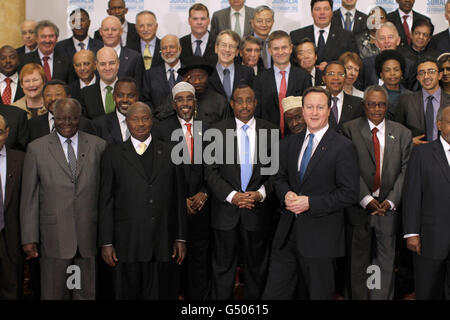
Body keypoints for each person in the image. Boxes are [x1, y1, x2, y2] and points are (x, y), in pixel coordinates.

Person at [262, 86, 359, 300]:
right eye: (309, 107)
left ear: (328, 110)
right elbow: (279, 178)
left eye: (320, 107)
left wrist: (310, 203)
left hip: (321, 240)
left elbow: (349, 193)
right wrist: (286, 193)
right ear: (303, 110)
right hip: (287, 235)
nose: (314, 113)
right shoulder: (289, 143)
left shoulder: (343, 147)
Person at [20, 98, 107, 300]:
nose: (66, 123)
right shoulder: (36, 149)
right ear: (53, 118)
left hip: (88, 237)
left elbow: (105, 196)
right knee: (54, 294)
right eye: (61, 119)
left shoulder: (98, 146)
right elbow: (29, 198)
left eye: (72, 118)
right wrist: (29, 237)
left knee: (85, 293)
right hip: (53, 237)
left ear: (80, 118)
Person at [99, 102, 187, 300]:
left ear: (152, 121)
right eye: (134, 119)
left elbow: (179, 198)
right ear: (127, 122)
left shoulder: (171, 152)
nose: (140, 124)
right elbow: (105, 202)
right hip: (126, 243)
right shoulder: (112, 154)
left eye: (145, 118)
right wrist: (106, 242)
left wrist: (181, 237)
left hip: (162, 241)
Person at [205, 85, 277, 300]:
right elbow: (210, 171)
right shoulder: (216, 131)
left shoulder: (270, 130)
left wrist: (260, 194)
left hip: (257, 211)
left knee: (257, 269)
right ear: (232, 104)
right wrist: (232, 196)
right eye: (239, 101)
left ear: (255, 103)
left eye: (249, 101)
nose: (244, 105)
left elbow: (276, 173)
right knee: (223, 268)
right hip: (225, 213)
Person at [342, 85, 412, 300]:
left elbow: (406, 170)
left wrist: (391, 201)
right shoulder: (349, 129)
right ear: (364, 106)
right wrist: (365, 198)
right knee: (359, 262)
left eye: (381, 104)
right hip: (358, 208)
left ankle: (380, 297)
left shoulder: (402, 133)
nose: (377, 109)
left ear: (387, 105)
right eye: (372, 104)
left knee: (384, 262)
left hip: (388, 210)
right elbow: (346, 168)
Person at [152, 81, 211, 300]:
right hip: (172, 207)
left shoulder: (207, 128)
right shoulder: (161, 129)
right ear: (173, 103)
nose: (185, 103)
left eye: (189, 99)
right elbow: (158, 171)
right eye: (180, 99)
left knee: (199, 260)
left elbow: (215, 167)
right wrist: (180, 200)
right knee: (173, 259)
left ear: (195, 103)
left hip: (202, 205)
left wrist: (205, 191)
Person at [402, 105, 450, 300]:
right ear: (439, 124)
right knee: (428, 290)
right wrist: (412, 233)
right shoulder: (422, 153)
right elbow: (412, 194)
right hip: (431, 238)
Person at [254, 31, 311, 137]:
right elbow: (257, 114)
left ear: (290, 48)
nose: (280, 52)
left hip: (297, 137)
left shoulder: (303, 77)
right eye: (276, 48)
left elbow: (307, 110)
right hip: (267, 139)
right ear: (269, 50)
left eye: (284, 47)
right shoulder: (259, 79)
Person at [395, 57, 450, 144]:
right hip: (415, 153)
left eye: (431, 71)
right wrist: (409, 142)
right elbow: (393, 133)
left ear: (440, 75)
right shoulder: (406, 100)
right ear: (418, 78)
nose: (426, 76)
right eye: (421, 73)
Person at [290, 0, 356, 70]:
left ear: (331, 12)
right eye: (317, 9)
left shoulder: (346, 36)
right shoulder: (296, 36)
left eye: (326, 9)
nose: (322, 13)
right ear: (311, 12)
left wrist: (332, 67)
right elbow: (291, 65)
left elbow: (353, 64)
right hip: (304, 80)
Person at [0, 115, 25, 300]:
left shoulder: (21, 160)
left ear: (7, 133)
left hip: (11, 236)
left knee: (11, 288)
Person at [357, 22, 418, 91]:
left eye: (390, 37)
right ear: (377, 43)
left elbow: (413, 94)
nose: (386, 41)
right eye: (382, 38)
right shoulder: (366, 64)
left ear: (398, 41)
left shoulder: (409, 65)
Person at [28, 80, 95, 142]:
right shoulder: (33, 125)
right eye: (48, 95)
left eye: (58, 94)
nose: (53, 98)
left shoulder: (83, 124)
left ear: (68, 97)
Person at [20, 20, 76, 84]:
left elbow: (71, 87)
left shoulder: (67, 60)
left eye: (51, 36)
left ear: (57, 38)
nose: (47, 40)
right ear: (36, 39)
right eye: (43, 36)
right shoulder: (25, 61)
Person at [98, 16, 144, 88]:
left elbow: (139, 88)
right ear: (100, 32)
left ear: (121, 31)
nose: (110, 33)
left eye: (114, 29)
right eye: (106, 30)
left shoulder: (135, 58)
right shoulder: (93, 56)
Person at [209, 30, 254, 102]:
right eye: (223, 45)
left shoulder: (247, 73)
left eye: (232, 46)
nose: (227, 50)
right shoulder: (207, 73)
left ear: (237, 52)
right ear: (216, 48)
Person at [141, 35, 183, 111]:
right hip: (158, 120)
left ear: (179, 49)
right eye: (164, 48)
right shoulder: (150, 74)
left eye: (172, 47)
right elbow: (146, 100)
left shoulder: (189, 73)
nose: (168, 50)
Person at [93, 77, 138, 145]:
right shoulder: (99, 125)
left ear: (137, 97)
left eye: (130, 96)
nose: (125, 100)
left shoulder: (149, 123)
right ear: (113, 96)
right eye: (120, 95)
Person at [322, 61, 363, 134]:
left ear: (345, 78)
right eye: (331, 74)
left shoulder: (358, 104)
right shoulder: (316, 102)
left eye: (341, 74)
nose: (336, 78)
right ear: (324, 78)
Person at [79, 47, 119, 119]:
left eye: (112, 63)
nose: (107, 68)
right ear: (96, 65)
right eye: (103, 64)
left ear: (118, 63)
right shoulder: (85, 94)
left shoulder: (129, 89)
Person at [374, 50, 411, 119]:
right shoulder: (374, 96)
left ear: (402, 72)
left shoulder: (411, 97)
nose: (392, 73)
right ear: (381, 74)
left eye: (396, 69)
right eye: (387, 70)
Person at [250, 5, 275, 70]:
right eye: (259, 21)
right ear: (252, 23)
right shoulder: (245, 44)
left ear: (273, 22)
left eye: (268, 21)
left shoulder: (276, 43)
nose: (264, 25)